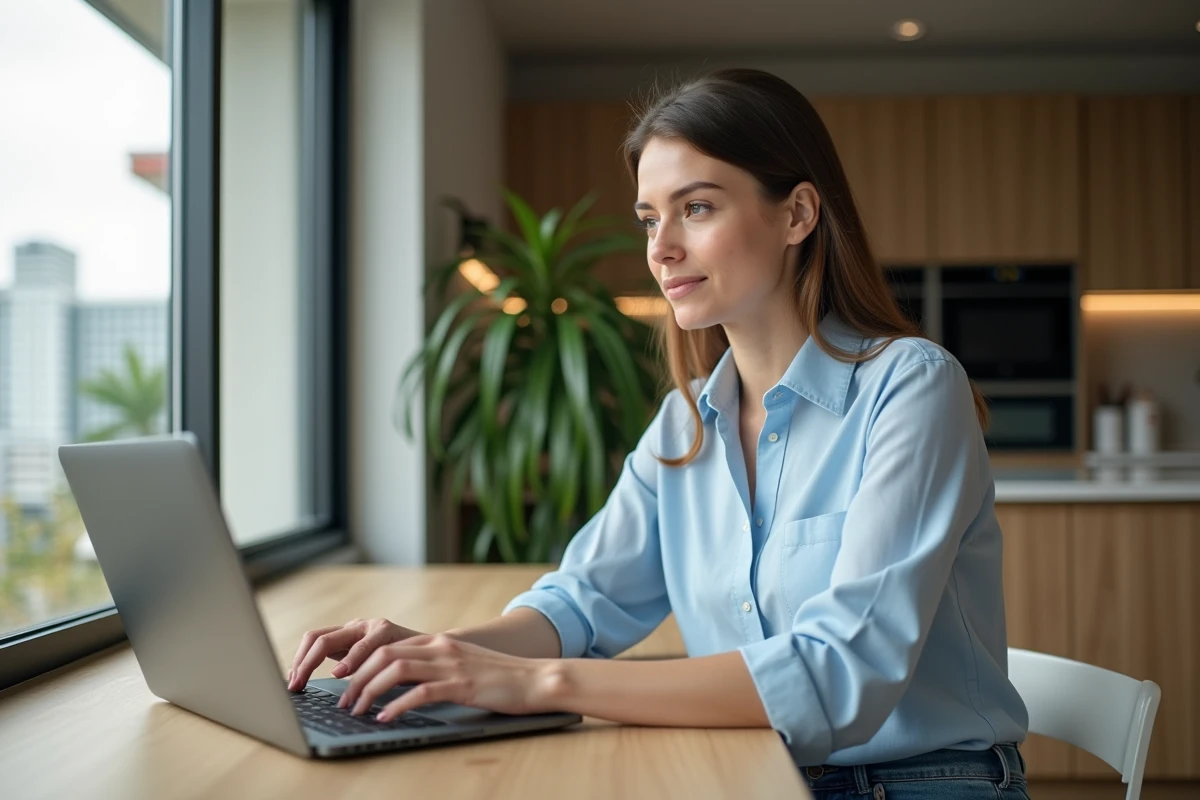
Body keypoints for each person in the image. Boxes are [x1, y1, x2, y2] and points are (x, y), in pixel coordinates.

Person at [288, 68, 1030, 799]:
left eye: (696, 208)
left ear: (798, 215)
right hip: (753, 772)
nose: (660, 248)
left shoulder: (910, 387)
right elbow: (582, 604)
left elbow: (841, 676)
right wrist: (434, 653)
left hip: (918, 784)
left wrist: (540, 683)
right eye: (649, 217)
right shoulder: (687, 421)